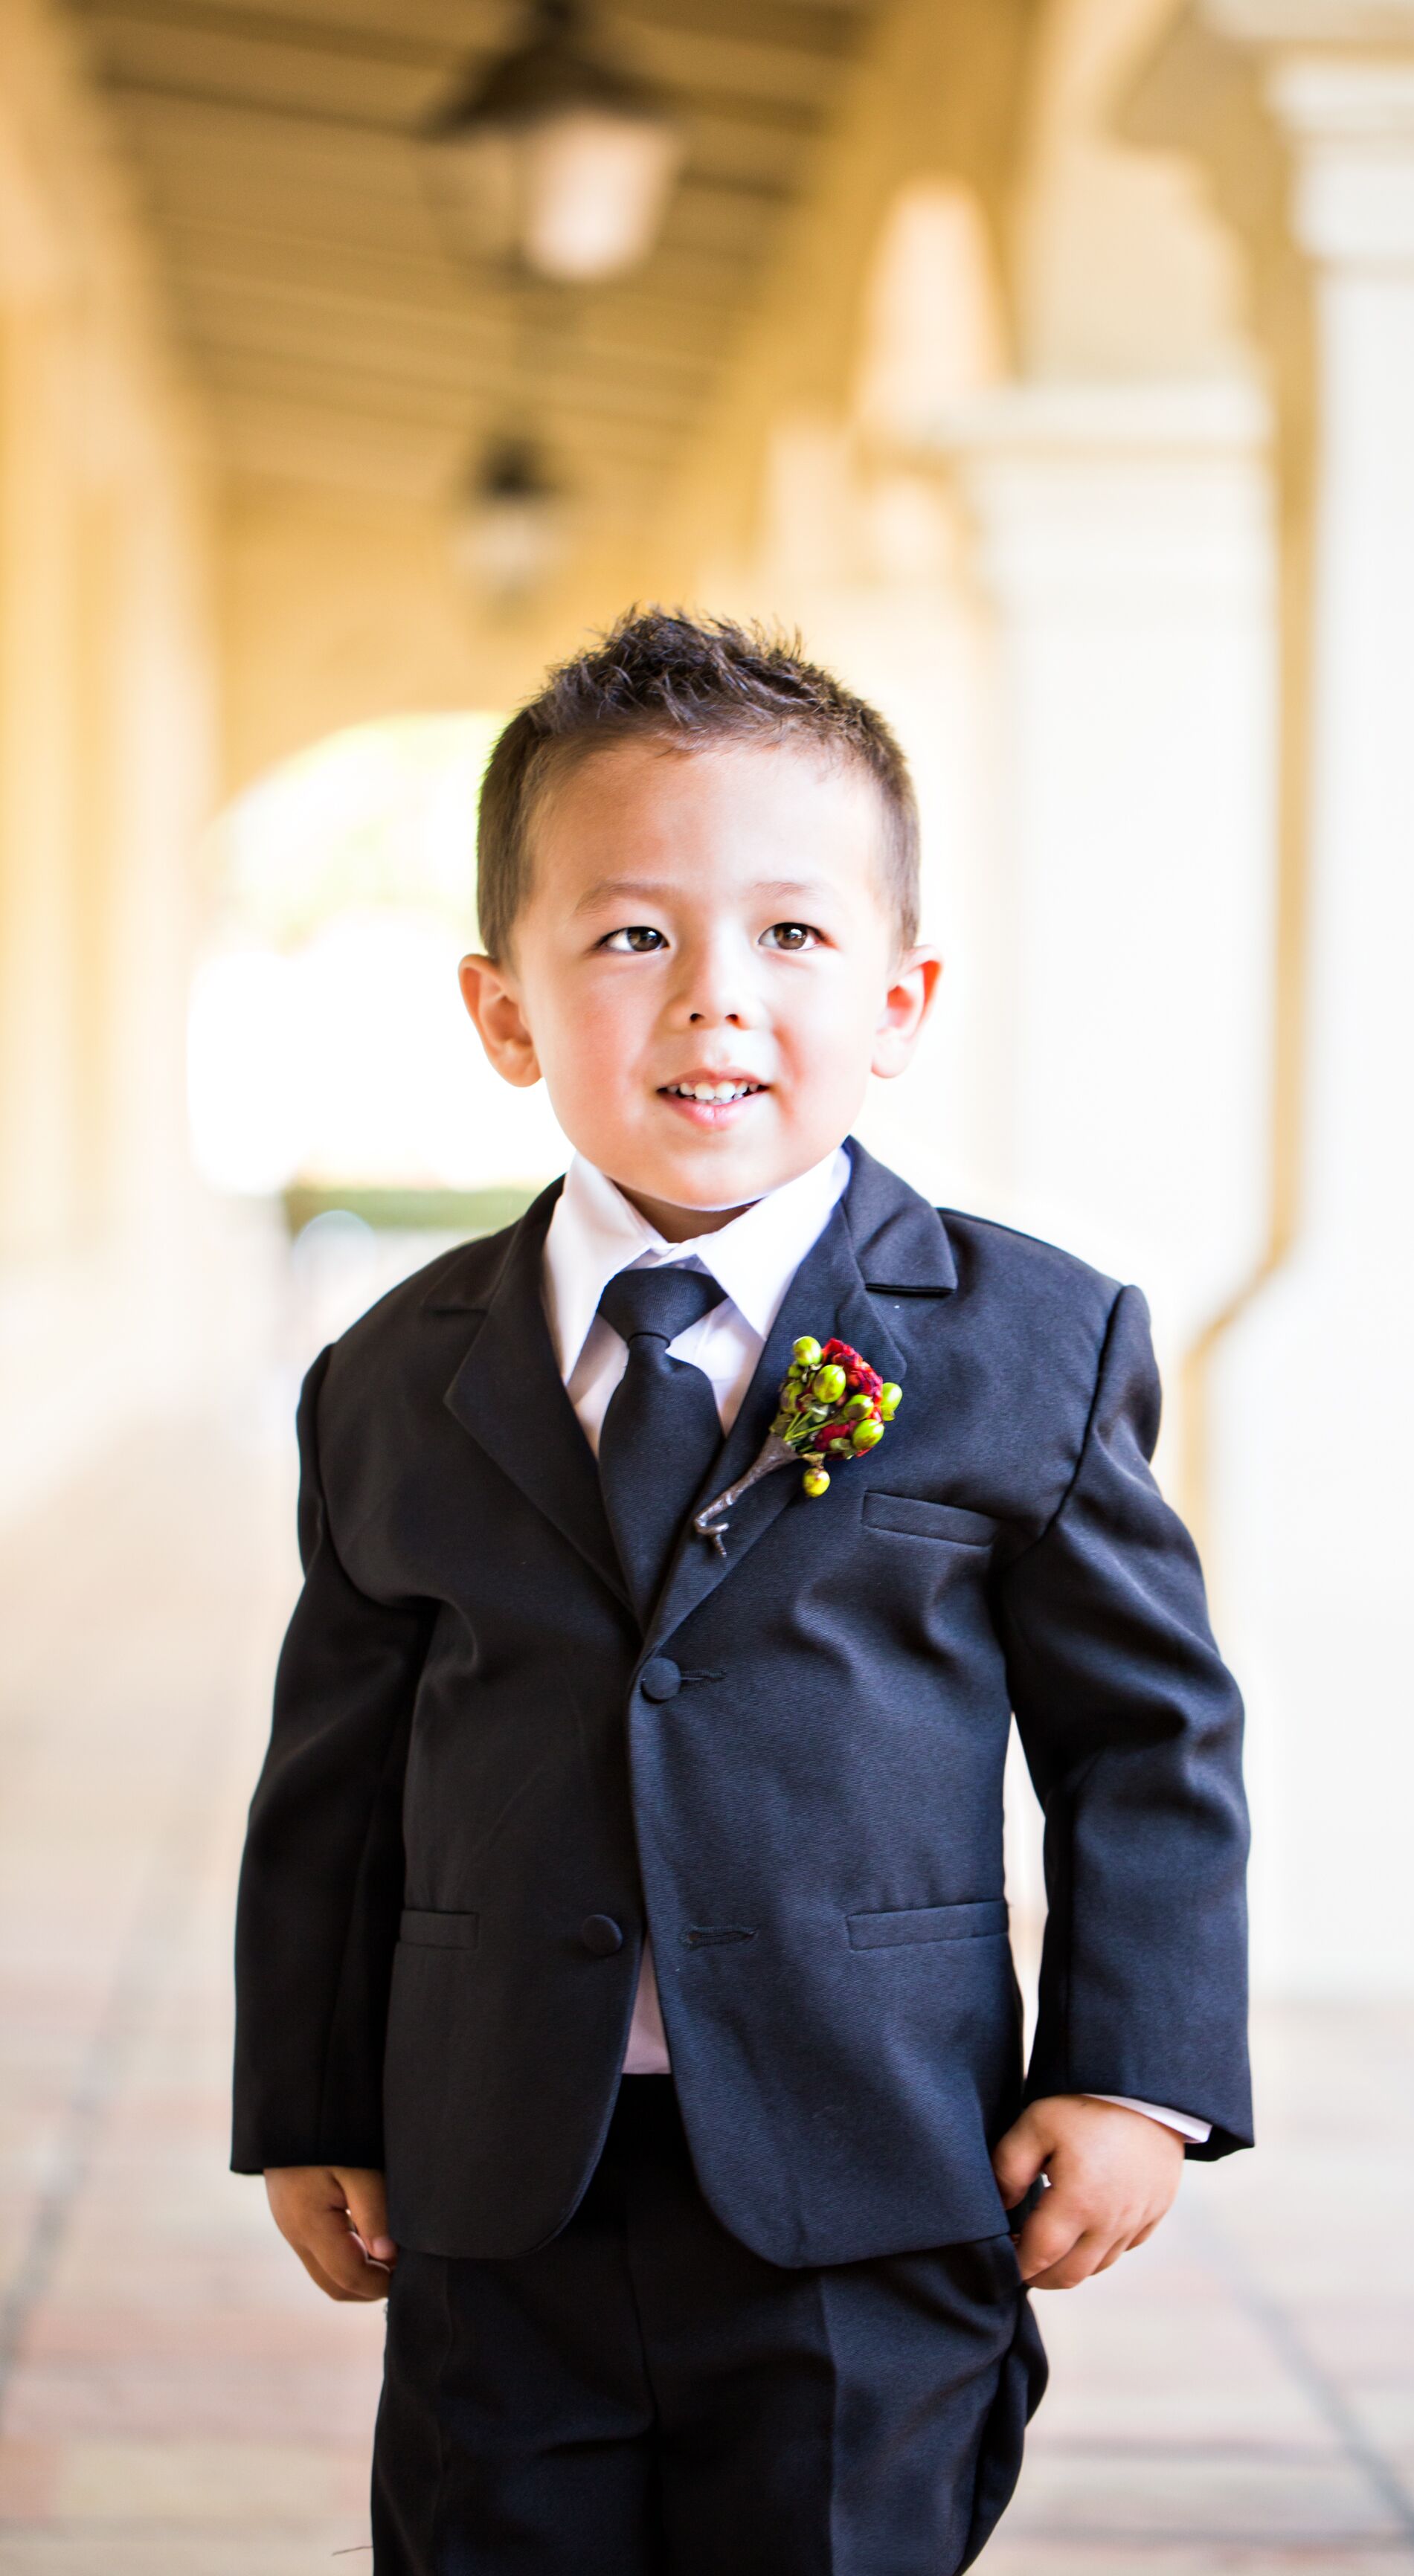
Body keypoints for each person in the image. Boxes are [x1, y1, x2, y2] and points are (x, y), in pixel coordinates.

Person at [232, 609, 1251, 2576]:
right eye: (631, 937)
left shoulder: (1025, 1341)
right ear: (504, 1008)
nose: (714, 1003)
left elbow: (1149, 1739)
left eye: (791, 937)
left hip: (875, 2170)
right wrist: (310, 2093)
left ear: (900, 998)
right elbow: (333, 1779)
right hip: (498, 2171)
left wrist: (1135, 2066)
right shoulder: (392, 1378)